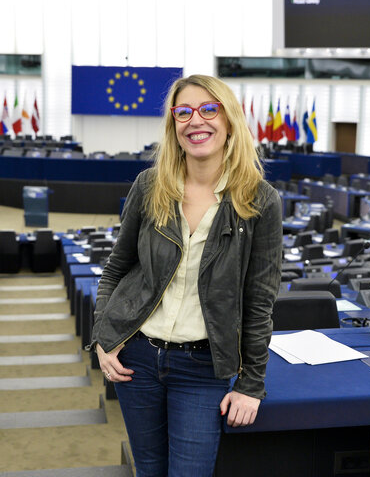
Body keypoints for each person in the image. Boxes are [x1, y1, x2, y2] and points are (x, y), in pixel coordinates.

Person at [90, 74, 282, 477]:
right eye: (184, 112)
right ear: (173, 126)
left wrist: (251, 385)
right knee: (149, 469)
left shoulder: (260, 200)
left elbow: (259, 300)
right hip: (137, 360)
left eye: (209, 109)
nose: (196, 121)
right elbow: (115, 270)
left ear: (229, 121)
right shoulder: (149, 186)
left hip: (202, 366)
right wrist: (103, 339)